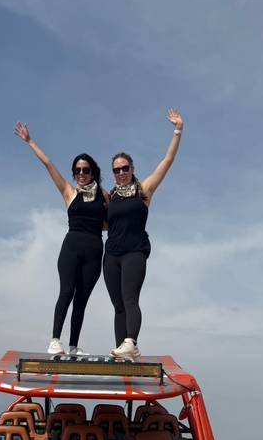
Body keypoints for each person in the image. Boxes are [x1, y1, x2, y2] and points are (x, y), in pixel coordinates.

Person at [14, 122, 107, 356]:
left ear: (92, 172)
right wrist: (29, 141)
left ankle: (74, 346)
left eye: (86, 170)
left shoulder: (104, 196)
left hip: (95, 250)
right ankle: (55, 340)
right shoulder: (69, 192)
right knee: (66, 291)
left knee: (82, 299)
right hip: (72, 248)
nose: (81, 174)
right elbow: (48, 164)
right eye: (77, 170)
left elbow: (111, 222)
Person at [103, 108, 184, 360]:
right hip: (111, 254)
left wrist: (177, 130)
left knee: (130, 298)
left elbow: (167, 161)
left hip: (135, 251)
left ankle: (132, 343)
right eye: (116, 170)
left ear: (132, 167)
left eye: (124, 168)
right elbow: (102, 224)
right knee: (117, 306)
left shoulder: (144, 189)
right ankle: (121, 351)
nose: (120, 173)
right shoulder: (110, 197)